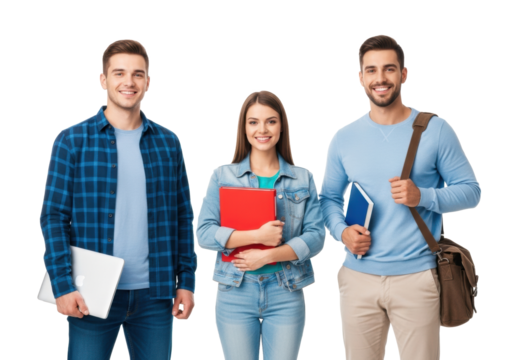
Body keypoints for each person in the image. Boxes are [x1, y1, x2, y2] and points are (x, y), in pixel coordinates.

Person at [319, 34, 482, 360]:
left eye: (389, 69)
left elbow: (472, 192)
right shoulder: (343, 138)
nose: (381, 78)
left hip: (417, 278)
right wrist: (342, 233)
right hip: (357, 279)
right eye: (372, 70)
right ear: (360, 77)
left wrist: (423, 195)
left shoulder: (435, 130)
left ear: (404, 74)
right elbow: (328, 200)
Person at [38, 38, 198, 359]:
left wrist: (187, 281)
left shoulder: (169, 143)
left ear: (148, 80)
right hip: (91, 292)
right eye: (119, 73)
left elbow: (182, 217)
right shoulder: (72, 141)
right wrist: (63, 284)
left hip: (155, 294)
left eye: (138, 74)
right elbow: (53, 216)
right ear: (102, 79)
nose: (129, 82)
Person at [196, 89, 326, 360]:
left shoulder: (303, 179)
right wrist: (255, 236)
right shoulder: (222, 176)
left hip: (286, 292)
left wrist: (270, 255)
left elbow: (316, 237)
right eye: (253, 122)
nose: (262, 129)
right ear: (243, 128)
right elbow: (204, 234)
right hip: (235, 292)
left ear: (282, 126)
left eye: (271, 121)